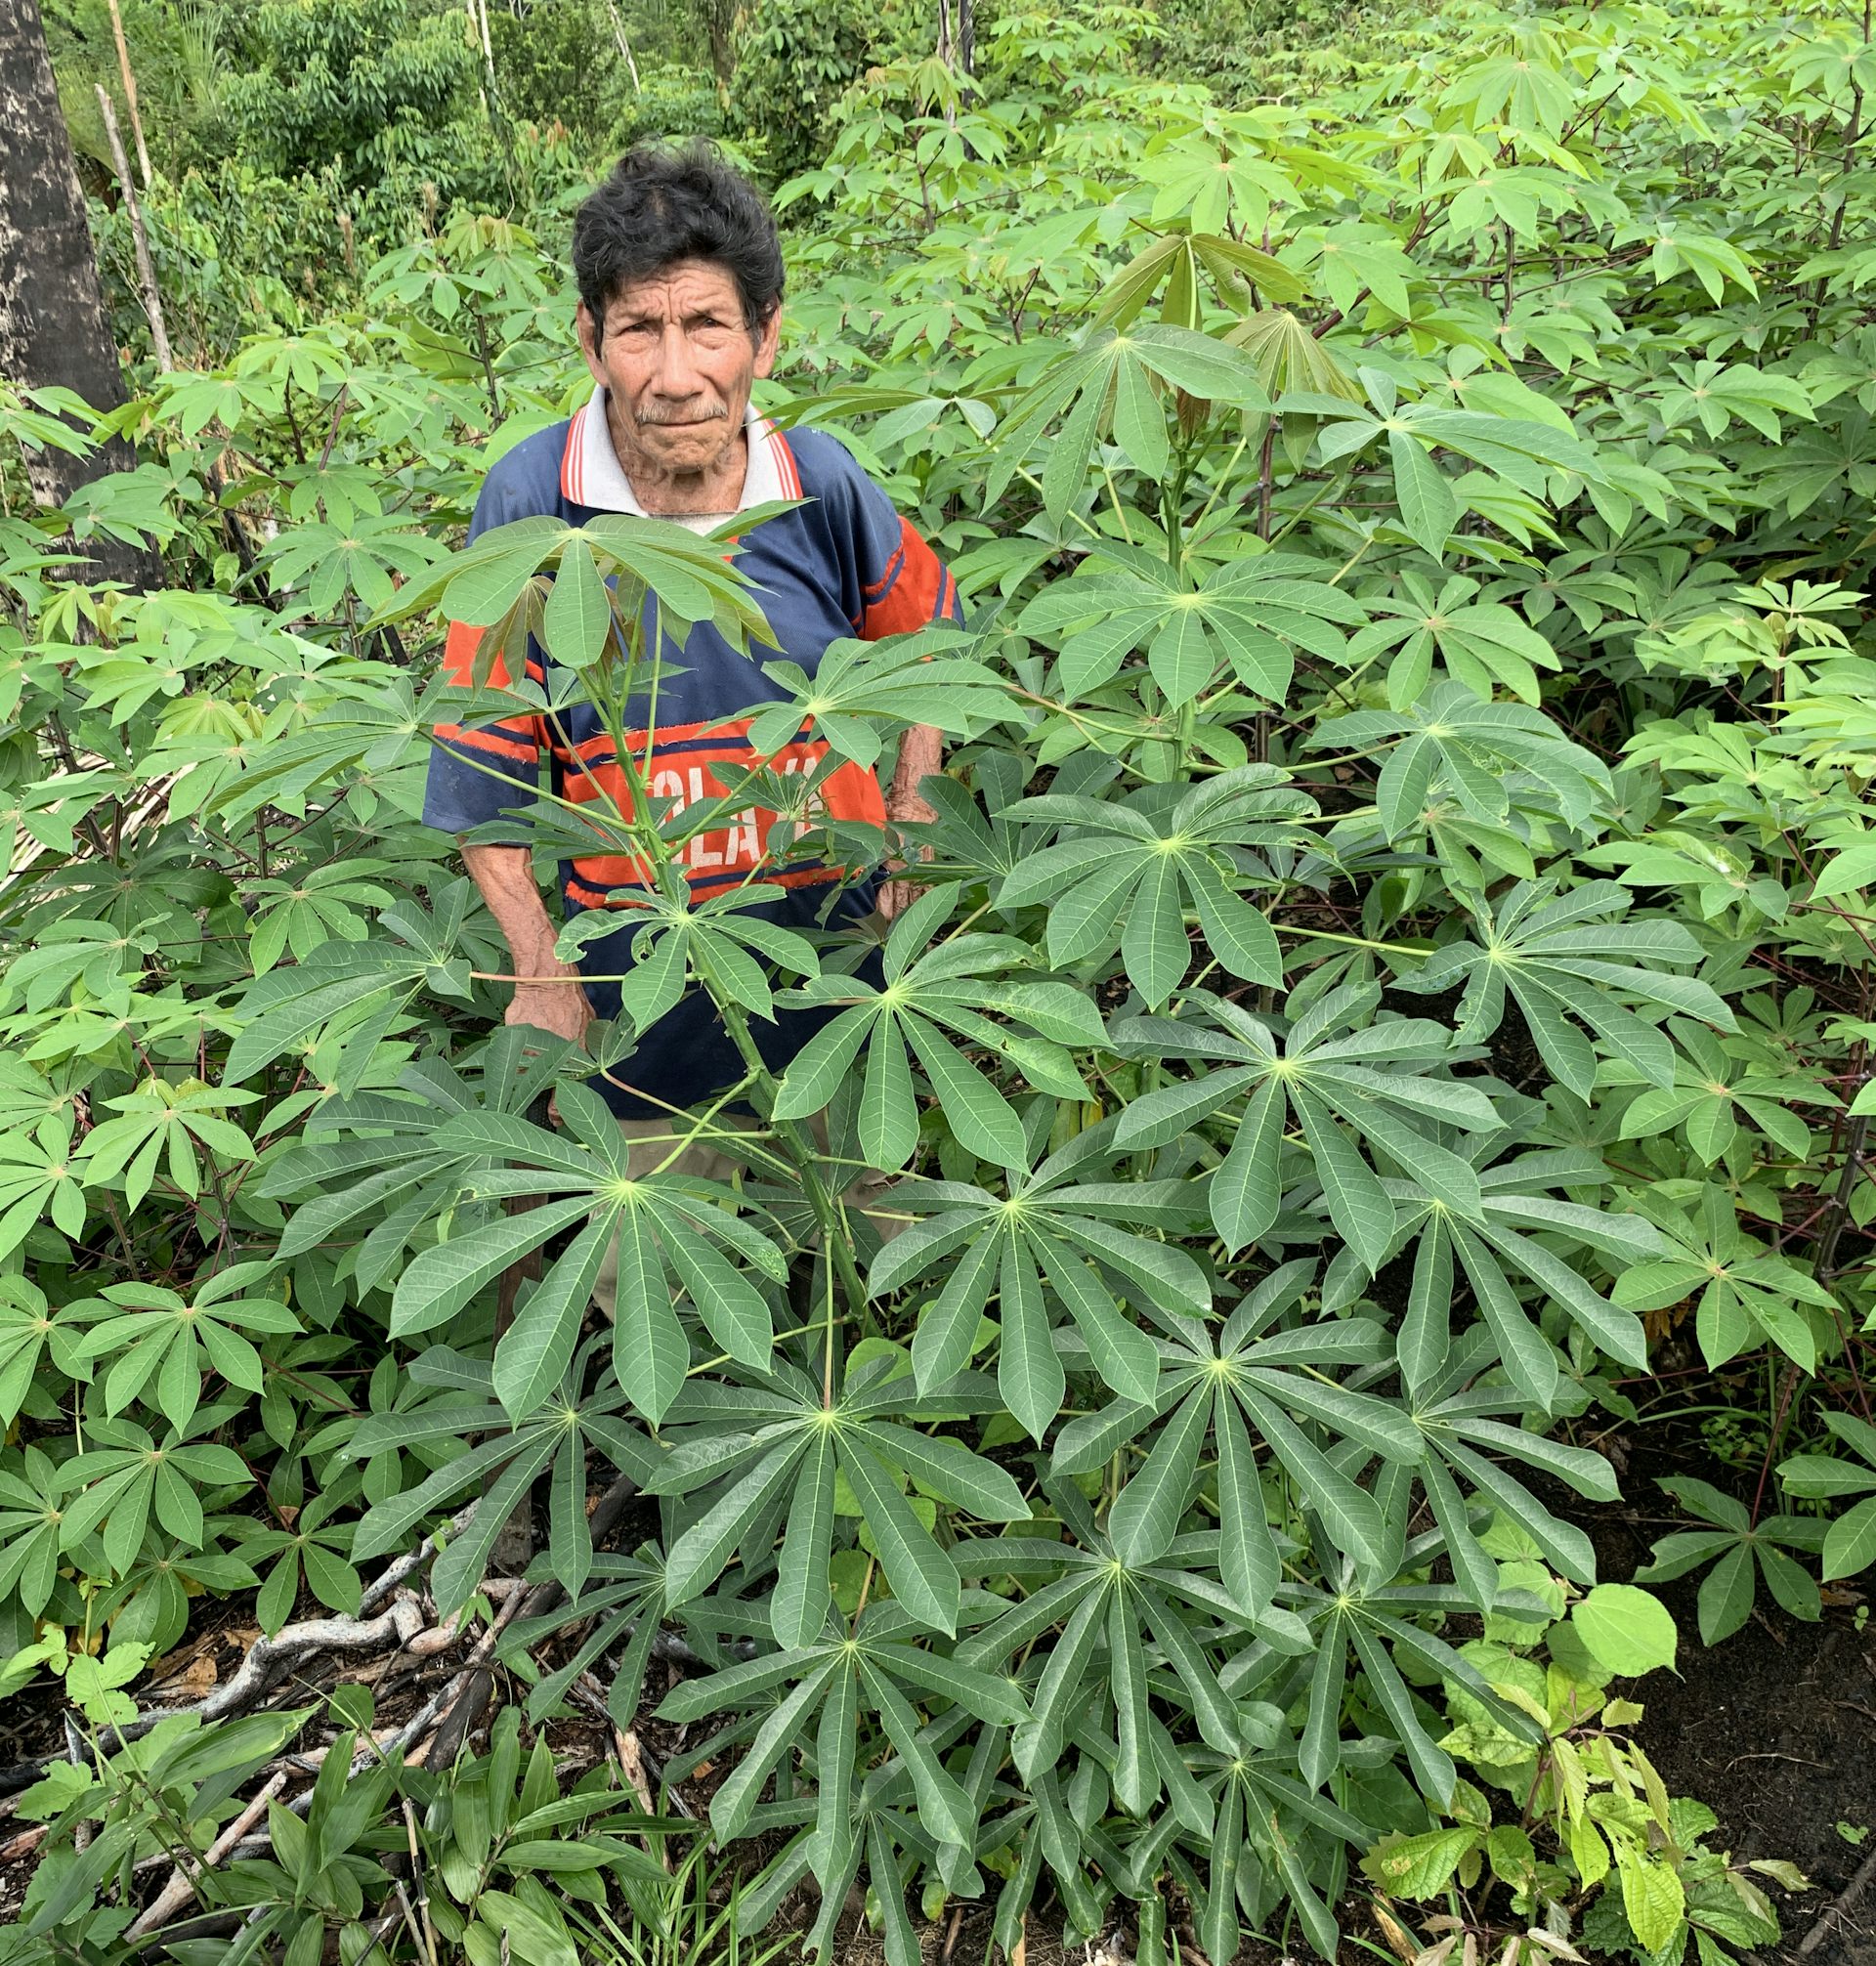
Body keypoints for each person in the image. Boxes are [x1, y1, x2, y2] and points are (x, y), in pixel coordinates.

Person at [422, 143, 960, 1305]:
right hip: (632, 981)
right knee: (653, 1288)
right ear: (589, 339)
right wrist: (535, 956)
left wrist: (914, 804)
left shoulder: (821, 483)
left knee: (873, 1271)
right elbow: (482, 760)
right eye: (639, 329)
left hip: (834, 954)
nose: (676, 373)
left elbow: (926, 639)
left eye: (707, 326)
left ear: (766, 334)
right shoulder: (534, 505)